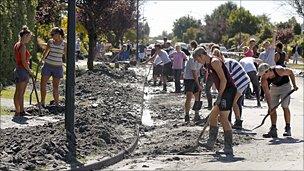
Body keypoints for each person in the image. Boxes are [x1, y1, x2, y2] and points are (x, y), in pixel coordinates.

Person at [193, 47, 237, 155]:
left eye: (198, 59)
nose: (198, 62)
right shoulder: (207, 64)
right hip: (223, 91)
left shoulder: (215, 62)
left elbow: (224, 80)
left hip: (228, 91)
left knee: (223, 118)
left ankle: (228, 147)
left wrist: (219, 96)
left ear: (202, 56)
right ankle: (211, 142)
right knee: (212, 115)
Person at [213, 49, 250, 129]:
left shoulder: (226, 64)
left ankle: (237, 121)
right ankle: (232, 121)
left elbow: (227, 80)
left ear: (220, 57)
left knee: (233, 102)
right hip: (240, 82)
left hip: (241, 82)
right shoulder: (226, 62)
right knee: (233, 102)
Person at [257, 63, 298, 137]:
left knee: (284, 105)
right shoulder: (263, 79)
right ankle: (273, 129)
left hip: (285, 86)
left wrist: (294, 85)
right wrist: (270, 107)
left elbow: (291, 72)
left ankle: (287, 128)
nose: (262, 76)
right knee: (272, 108)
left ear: (268, 71)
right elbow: (267, 93)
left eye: (263, 74)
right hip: (274, 87)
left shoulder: (279, 70)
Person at [40, 27, 67, 107]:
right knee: (43, 84)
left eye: (53, 34)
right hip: (48, 65)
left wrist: (69, 66)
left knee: (55, 86)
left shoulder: (64, 44)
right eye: (51, 34)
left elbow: (66, 55)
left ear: (58, 34)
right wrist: (42, 60)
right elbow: (46, 52)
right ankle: (42, 102)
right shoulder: (50, 42)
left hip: (58, 67)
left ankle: (57, 104)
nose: (51, 36)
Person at [13, 26, 34, 116]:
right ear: (25, 36)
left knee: (17, 92)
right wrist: (29, 70)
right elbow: (24, 61)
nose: (29, 39)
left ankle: (17, 111)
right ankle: (21, 111)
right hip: (22, 71)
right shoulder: (22, 46)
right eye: (29, 37)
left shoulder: (16, 44)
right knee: (21, 93)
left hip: (17, 69)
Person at [183, 50, 203, 122]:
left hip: (197, 78)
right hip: (189, 79)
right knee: (189, 97)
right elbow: (194, 73)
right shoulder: (192, 59)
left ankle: (196, 114)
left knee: (197, 97)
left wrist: (201, 81)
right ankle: (187, 115)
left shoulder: (201, 59)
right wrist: (199, 84)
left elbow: (199, 71)